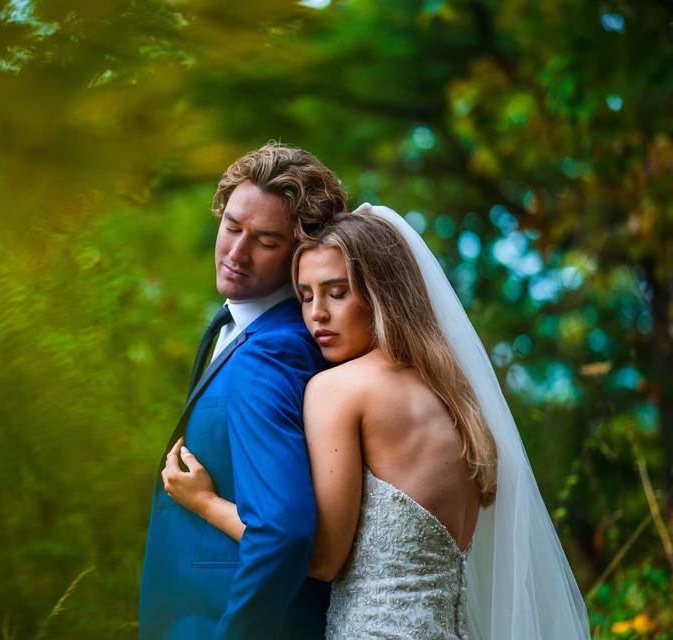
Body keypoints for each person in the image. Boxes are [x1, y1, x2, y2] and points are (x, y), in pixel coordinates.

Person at [165, 205, 591, 639]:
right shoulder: (456, 397)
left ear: (380, 293)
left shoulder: (339, 391)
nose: (317, 315)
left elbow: (322, 559)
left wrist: (206, 503)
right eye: (306, 295)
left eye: (337, 292)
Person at [138, 142, 348, 639]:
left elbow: (283, 530)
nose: (235, 253)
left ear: (302, 251)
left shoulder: (275, 352)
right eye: (231, 226)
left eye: (265, 241)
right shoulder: (233, 325)